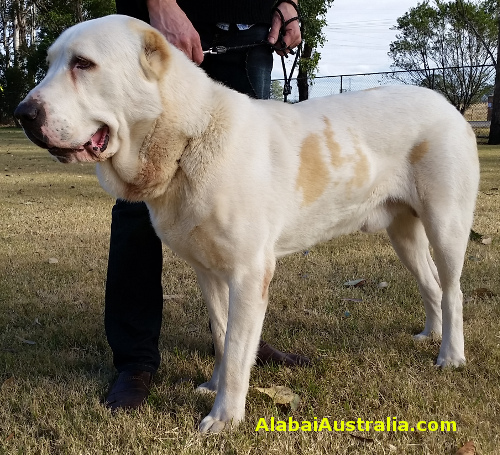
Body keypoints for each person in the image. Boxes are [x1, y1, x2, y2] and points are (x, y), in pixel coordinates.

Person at [105, 0, 308, 412]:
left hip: (246, 39)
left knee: (243, 212)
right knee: (139, 196)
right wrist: (160, 4)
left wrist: (287, 4)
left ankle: (239, 347)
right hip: (158, 40)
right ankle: (136, 359)